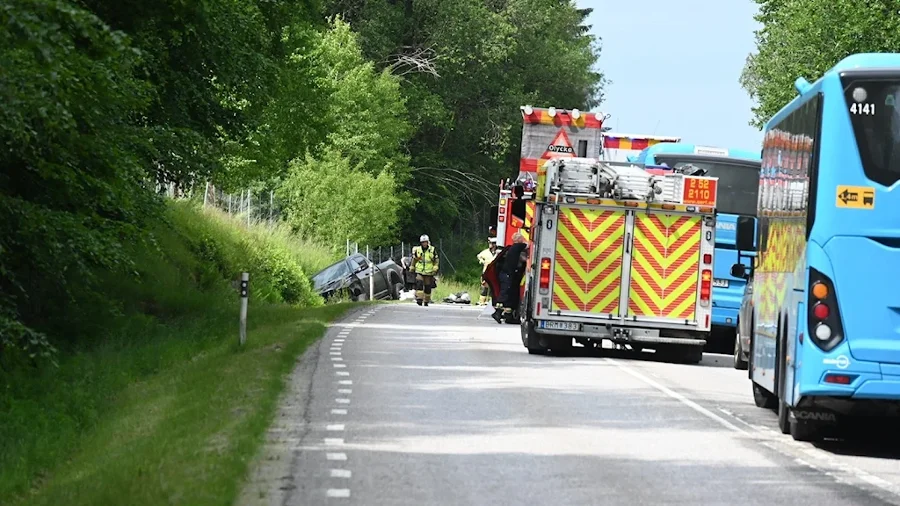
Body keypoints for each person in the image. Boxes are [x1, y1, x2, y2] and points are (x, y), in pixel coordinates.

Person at [492, 232, 528, 323]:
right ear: (518, 240)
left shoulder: (513, 249)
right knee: (505, 294)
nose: (523, 240)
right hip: (507, 275)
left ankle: (508, 316)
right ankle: (497, 313)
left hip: (507, 275)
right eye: (521, 238)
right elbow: (527, 246)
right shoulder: (516, 247)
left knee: (510, 294)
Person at [410, 234, 439, 306]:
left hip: (429, 272)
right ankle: (419, 299)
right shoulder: (418, 250)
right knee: (419, 283)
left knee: (427, 287)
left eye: (425, 242)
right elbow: (414, 259)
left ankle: (426, 300)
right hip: (419, 270)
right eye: (423, 242)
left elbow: (436, 259)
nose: (424, 244)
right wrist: (412, 266)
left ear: (427, 242)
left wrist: (435, 266)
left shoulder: (432, 250)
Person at [476, 237, 499, 306]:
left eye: (492, 243)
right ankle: (481, 301)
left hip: (494, 272)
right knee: (484, 286)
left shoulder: (498, 252)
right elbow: (479, 256)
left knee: (493, 287)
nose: (490, 244)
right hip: (486, 272)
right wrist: (482, 261)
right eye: (490, 243)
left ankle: (491, 301)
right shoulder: (486, 252)